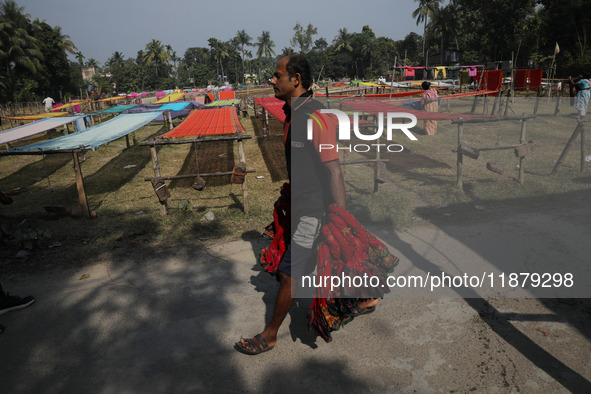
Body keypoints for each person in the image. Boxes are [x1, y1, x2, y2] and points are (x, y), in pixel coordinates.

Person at [235, 55, 377, 355]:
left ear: (295, 79)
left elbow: (333, 169)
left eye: (277, 75)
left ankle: (270, 334)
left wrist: (341, 218)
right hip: (302, 204)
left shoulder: (316, 116)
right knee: (330, 258)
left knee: (290, 272)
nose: (272, 80)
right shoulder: (293, 113)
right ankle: (366, 297)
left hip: (314, 208)